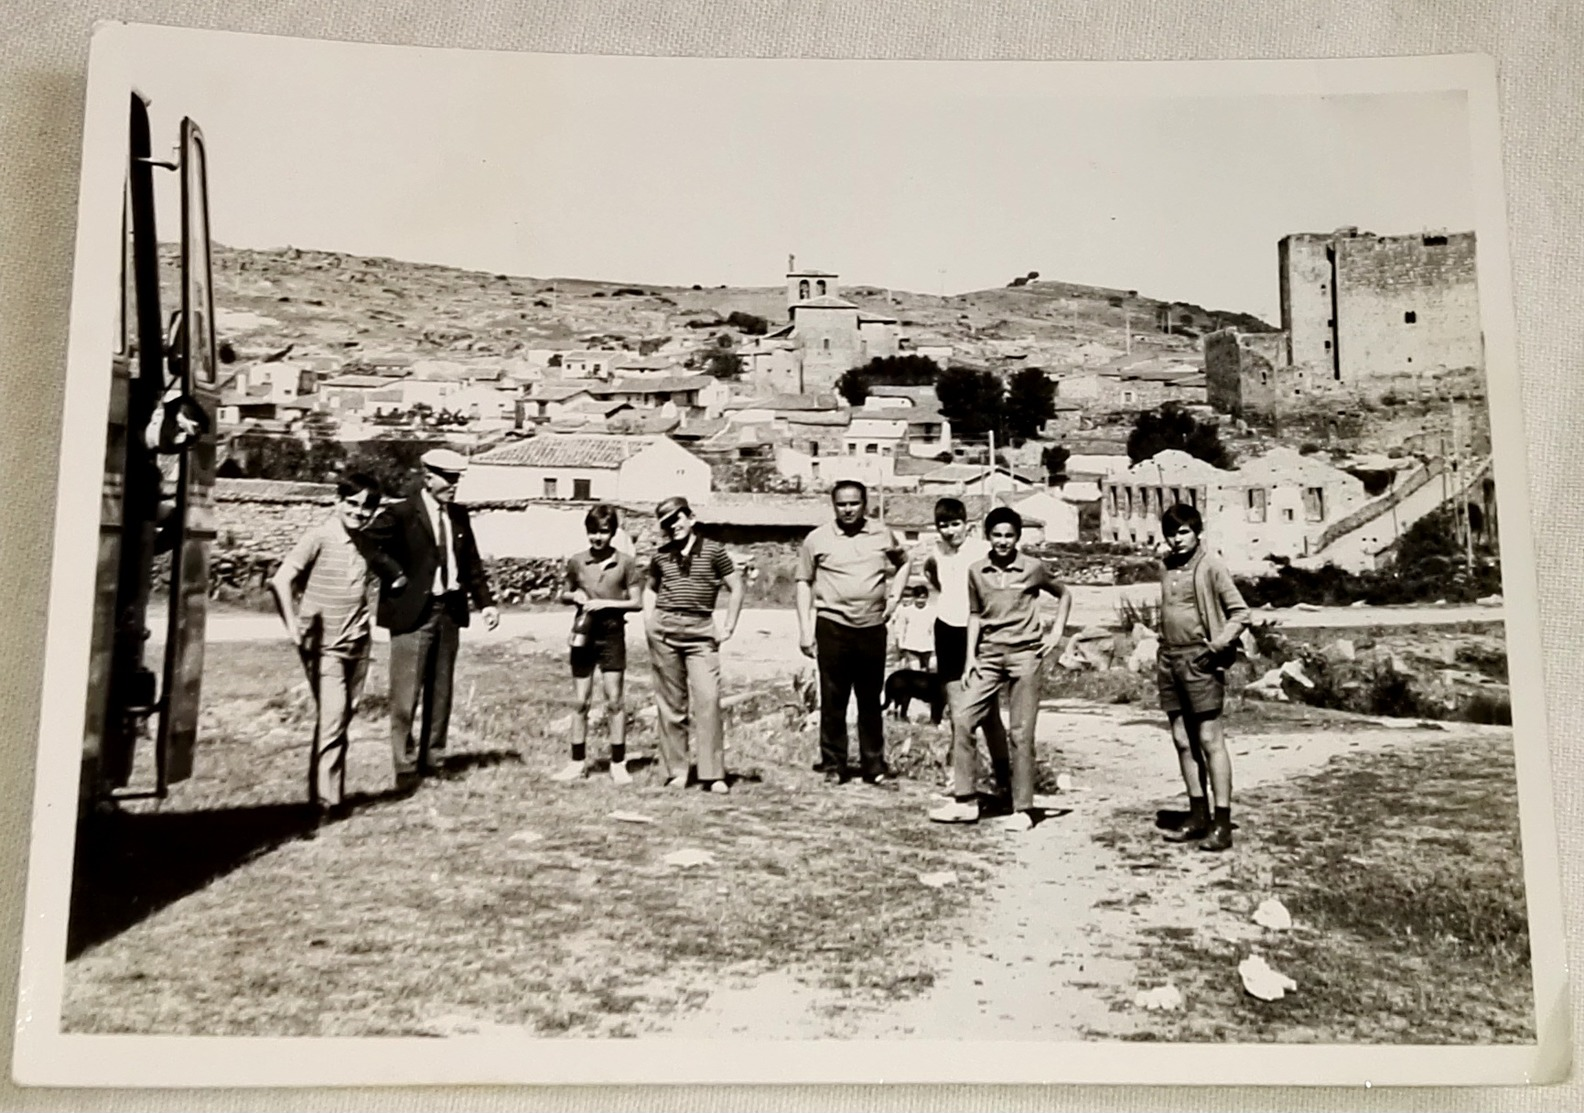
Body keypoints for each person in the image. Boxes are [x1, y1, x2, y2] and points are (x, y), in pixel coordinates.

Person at [268, 472, 404, 812]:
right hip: (324, 645)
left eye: (366, 508)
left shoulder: (366, 542)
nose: (358, 512)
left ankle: (327, 793)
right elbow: (281, 581)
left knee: (342, 720)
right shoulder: (319, 537)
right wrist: (293, 628)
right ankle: (328, 805)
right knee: (332, 720)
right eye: (352, 504)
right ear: (337, 501)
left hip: (358, 643)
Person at [929, 506, 1071, 831]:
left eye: (1009, 536)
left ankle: (1022, 809)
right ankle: (965, 801)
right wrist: (969, 660)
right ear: (988, 537)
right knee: (963, 719)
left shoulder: (1033, 568)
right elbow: (975, 616)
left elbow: (1063, 594)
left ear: (1017, 538)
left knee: (1021, 733)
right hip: (989, 655)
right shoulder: (977, 571)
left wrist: (1056, 633)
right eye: (997, 535)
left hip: (1025, 657)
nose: (1003, 541)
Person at [372, 448, 500, 792]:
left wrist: (486, 604)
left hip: (449, 612)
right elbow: (370, 545)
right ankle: (405, 767)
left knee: (441, 692)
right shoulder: (400, 512)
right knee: (406, 694)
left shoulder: (459, 516)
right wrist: (394, 575)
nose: (455, 486)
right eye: (449, 478)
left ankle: (434, 760)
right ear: (428, 477)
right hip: (413, 614)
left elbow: (471, 564)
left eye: (458, 479)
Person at [795, 480, 908, 785]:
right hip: (832, 626)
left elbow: (904, 562)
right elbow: (803, 582)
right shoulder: (817, 539)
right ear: (834, 506)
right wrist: (805, 631)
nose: (848, 509)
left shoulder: (882, 533)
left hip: (872, 628)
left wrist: (894, 599)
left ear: (864, 504)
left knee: (870, 699)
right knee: (833, 699)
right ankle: (834, 764)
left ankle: (874, 765)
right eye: (841, 504)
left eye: (854, 503)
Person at [1155, 502, 1251, 852]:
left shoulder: (1210, 565)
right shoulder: (1166, 566)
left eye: (1183, 532)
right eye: (1171, 532)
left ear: (1197, 532)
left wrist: (1218, 644)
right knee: (1182, 739)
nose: (1177, 539)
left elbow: (1240, 612)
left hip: (1200, 660)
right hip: (1169, 658)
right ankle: (1197, 815)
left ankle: (1221, 824)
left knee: (1210, 739)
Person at [646, 496, 745, 794]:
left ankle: (712, 774)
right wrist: (649, 625)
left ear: (691, 518)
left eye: (677, 518)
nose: (673, 526)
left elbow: (737, 586)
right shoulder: (661, 555)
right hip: (665, 630)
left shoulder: (714, 551)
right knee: (671, 705)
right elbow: (651, 590)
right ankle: (676, 770)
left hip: (701, 632)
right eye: (667, 522)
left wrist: (728, 626)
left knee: (708, 700)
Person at [915, 498, 1012, 804]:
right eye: (942, 525)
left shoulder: (981, 551)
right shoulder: (936, 552)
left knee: (989, 715)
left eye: (954, 524)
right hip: (947, 631)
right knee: (958, 712)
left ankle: (1004, 779)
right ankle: (962, 783)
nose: (949, 531)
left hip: (979, 634)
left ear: (967, 525)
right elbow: (932, 574)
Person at [553, 504, 644, 785]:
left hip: (612, 634)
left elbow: (637, 602)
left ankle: (618, 763)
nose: (597, 538)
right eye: (593, 532)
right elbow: (562, 594)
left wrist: (605, 603)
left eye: (603, 532)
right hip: (583, 633)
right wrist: (575, 597)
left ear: (613, 533)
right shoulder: (577, 561)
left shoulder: (627, 563)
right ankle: (577, 762)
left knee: (614, 701)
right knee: (580, 701)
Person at [891, 585, 937, 672]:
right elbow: (901, 628)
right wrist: (900, 644)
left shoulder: (932, 611)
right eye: (917, 597)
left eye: (923, 598)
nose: (920, 600)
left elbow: (934, 629)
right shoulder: (906, 611)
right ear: (914, 597)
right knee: (915, 670)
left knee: (931, 668)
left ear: (927, 597)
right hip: (911, 645)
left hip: (928, 646)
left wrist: (935, 645)